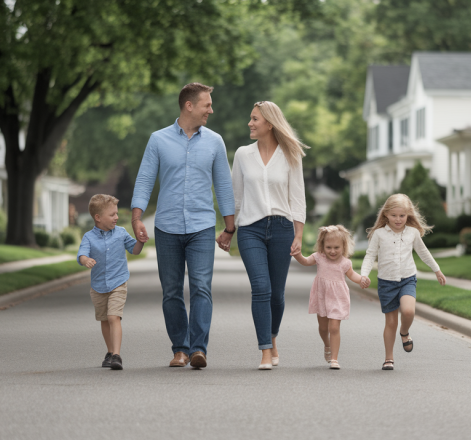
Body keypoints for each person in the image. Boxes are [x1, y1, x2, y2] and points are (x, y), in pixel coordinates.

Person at [131, 83, 235, 370]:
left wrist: (229, 228)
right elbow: (144, 179)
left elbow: (223, 185)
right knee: (171, 291)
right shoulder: (158, 140)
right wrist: (136, 218)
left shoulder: (215, 141)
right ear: (189, 105)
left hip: (202, 226)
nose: (211, 110)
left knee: (201, 287)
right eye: (207, 105)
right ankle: (180, 349)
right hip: (167, 227)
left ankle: (198, 349)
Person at [227, 101, 306, 370]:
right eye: (251, 118)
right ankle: (264, 350)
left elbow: (297, 197)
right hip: (251, 229)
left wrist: (298, 235)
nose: (249, 123)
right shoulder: (242, 154)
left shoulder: (290, 154)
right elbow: (236, 197)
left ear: (269, 124)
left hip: (282, 229)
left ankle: (272, 337)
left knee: (277, 294)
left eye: (255, 119)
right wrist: (230, 229)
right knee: (261, 288)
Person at [360, 193, 447, 371]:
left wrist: (437, 270)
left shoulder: (412, 233)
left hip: (407, 279)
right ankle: (388, 358)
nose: (398, 219)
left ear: (408, 215)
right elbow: (370, 256)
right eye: (394, 215)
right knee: (390, 322)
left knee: (408, 311)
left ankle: (404, 332)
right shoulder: (379, 234)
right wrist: (364, 274)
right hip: (386, 283)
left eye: (402, 215)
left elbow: (423, 252)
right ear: (386, 214)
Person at [77, 194, 146, 371]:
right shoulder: (89, 237)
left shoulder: (121, 233)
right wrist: (86, 260)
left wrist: (141, 241)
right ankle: (109, 352)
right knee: (104, 319)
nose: (116, 217)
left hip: (118, 282)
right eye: (112, 214)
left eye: (116, 213)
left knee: (113, 316)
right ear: (98, 217)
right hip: (98, 286)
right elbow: (82, 254)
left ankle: (116, 355)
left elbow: (134, 250)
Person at [292, 225, 370, 370]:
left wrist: (362, 280)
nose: (332, 251)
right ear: (322, 245)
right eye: (328, 247)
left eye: (336, 248)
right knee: (323, 328)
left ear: (343, 246)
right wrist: (297, 255)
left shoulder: (345, 263)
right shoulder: (319, 257)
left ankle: (334, 358)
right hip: (321, 297)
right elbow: (305, 261)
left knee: (334, 327)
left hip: (338, 298)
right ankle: (327, 344)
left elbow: (352, 275)